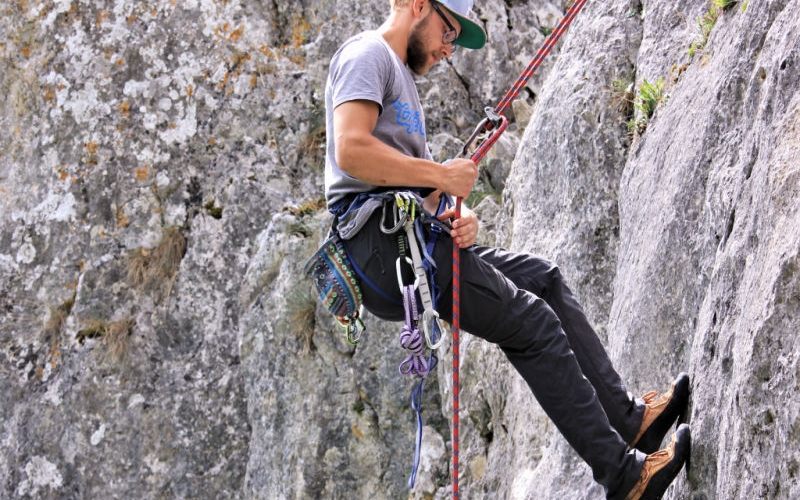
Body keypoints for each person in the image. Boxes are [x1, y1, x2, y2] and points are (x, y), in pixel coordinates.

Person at [322, 1, 691, 499]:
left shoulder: (403, 84)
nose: (449, 48)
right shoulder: (368, 55)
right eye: (448, 30)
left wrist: (455, 210)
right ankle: (624, 477)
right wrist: (439, 175)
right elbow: (350, 150)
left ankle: (630, 420)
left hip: (404, 241)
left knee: (542, 279)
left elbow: (414, 186)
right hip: (381, 247)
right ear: (415, 6)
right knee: (532, 323)